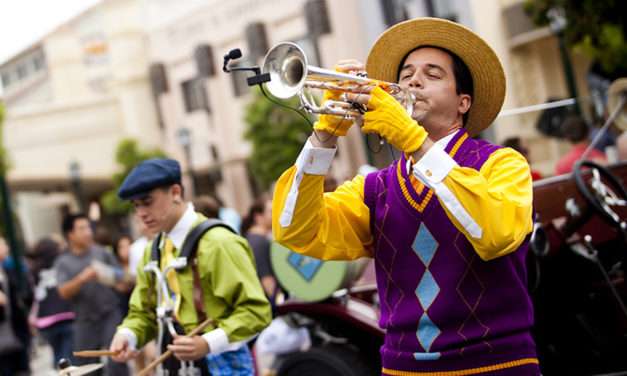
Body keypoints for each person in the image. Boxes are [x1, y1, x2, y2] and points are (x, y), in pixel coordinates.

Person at [272, 18, 540, 375]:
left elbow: (496, 234)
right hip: (402, 368)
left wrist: (414, 141)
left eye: (433, 74)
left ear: (464, 102)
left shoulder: (502, 163)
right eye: (407, 73)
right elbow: (294, 230)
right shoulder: (373, 188)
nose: (414, 80)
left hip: (495, 365)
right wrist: (325, 135)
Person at [109, 158, 271, 375]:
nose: (141, 214)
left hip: (223, 365)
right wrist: (129, 335)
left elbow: (257, 312)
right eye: (136, 206)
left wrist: (208, 343)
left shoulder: (218, 243)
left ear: (175, 192)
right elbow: (143, 312)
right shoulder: (153, 250)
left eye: (147, 202)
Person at [55, 214, 130, 375]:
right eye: (82, 228)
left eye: (89, 227)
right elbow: (63, 292)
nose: (88, 232)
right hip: (85, 320)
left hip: (110, 314)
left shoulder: (102, 252)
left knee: (117, 360)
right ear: (70, 234)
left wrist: (110, 275)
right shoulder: (63, 262)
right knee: (86, 367)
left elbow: (122, 279)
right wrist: (82, 278)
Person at [30, 237, 76, 367]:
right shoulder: (61, 264)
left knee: (58, 355)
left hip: (45, 319)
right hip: (66, 314)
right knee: (70, 356)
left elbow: (32, 294)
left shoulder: (34, 269)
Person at [0, 236, 32, 376]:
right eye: (2, 244)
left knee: (23, 371)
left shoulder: (9, 270)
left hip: (17, 336)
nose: (6, 246)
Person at [241, 196, 278, 301]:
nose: (276, 214)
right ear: (258, 217)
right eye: (271, 211)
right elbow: (267, 280)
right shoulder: (259, 242)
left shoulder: (251, 238)